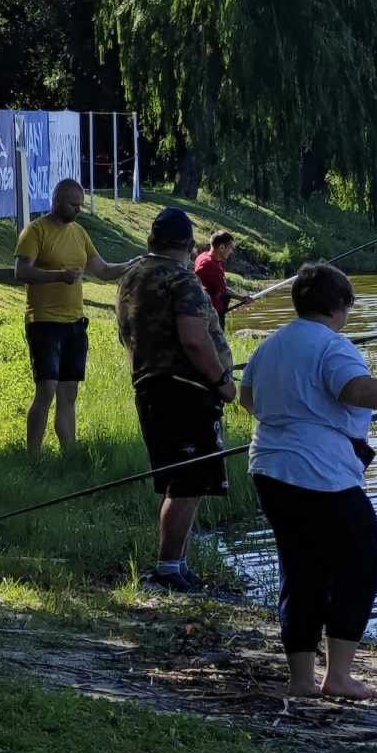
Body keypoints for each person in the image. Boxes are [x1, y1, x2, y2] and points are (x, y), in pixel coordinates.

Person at [238, 261, 377, 699]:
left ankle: (302, 679)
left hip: (268, 468)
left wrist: (295, 419)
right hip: (319, 474)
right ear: (339, 307)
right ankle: (338, 676)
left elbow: (248, 398)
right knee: (361, 563)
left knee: (300, 569)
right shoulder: (332, 345)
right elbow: (357, 391)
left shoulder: (271, 345)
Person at [115, 207, 237, 593]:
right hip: (187, 390)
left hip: (150, 386)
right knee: (188, 481)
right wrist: (221, 380)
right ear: (188, 245)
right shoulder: (180, 280)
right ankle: (169, 569)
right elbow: (193, 337)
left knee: (179, 480)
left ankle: (176, 563)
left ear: (152, 240)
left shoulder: (132, 277)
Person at [14, 177, 135, 457]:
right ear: (56, 201)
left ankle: (70, 453)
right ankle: (33, 454)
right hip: (44, 321)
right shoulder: (35, 231)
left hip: (75, 324)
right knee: (46, 388)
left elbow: (103, 270)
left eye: (80, 205)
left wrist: (130, 265)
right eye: (73, 204)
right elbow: (21, 272)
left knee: (68, 393)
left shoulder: (79, 233)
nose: (78, 210)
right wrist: (60, 276)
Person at [194, 230, 249, 322]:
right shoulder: (210, 265)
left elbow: (222, 287)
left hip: (211, 310)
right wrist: (242, 298)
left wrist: (242, 298)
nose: (232, 251)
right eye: (231, 248)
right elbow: (223, 291)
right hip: (211, 315)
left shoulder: (203, 256)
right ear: (222, 247)